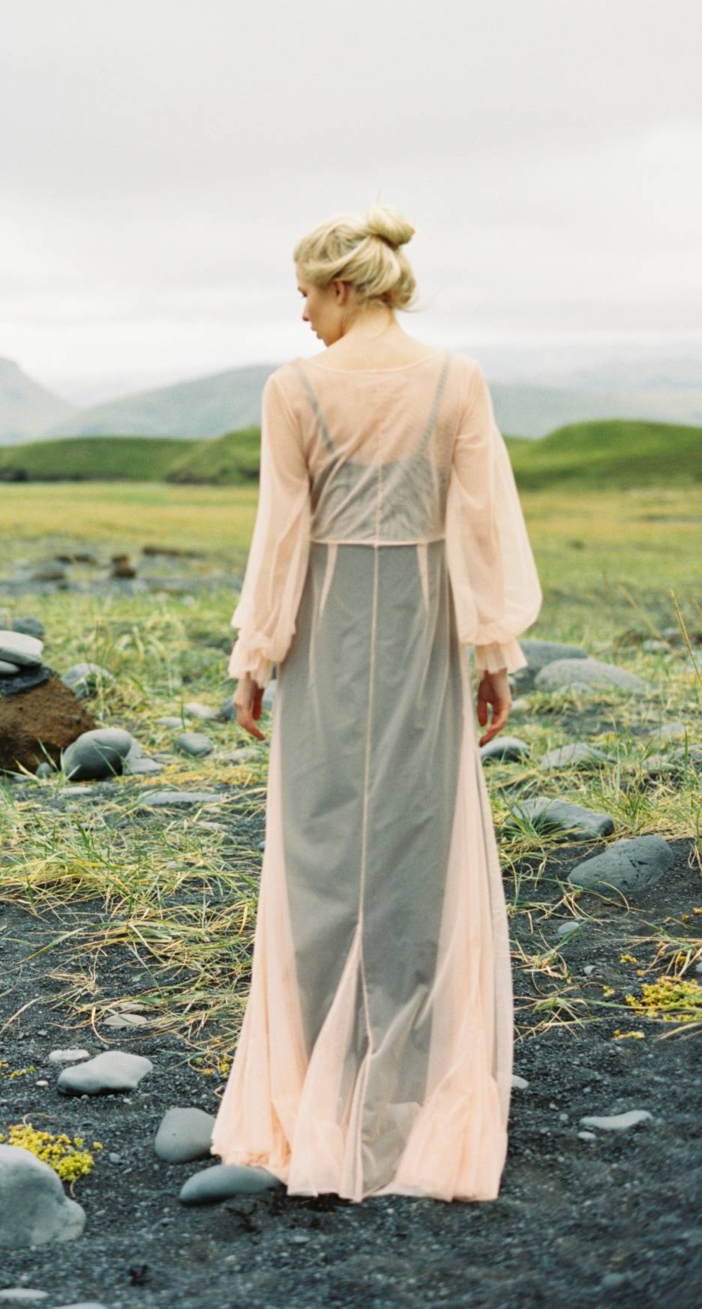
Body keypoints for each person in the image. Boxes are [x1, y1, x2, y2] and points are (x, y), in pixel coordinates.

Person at [209, 204, 542, 1203]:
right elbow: (478, 530)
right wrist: (492, 653)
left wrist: (256, 655)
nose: (302, 310)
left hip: (325, 628)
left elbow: (282, 532)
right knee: (414, 845)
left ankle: (316, 1090)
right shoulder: (457, 380)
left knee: (316, 847)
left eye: (308, 291)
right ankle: (409, 1091)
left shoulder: (295, 389)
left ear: (345, 288)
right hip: (427, 628)